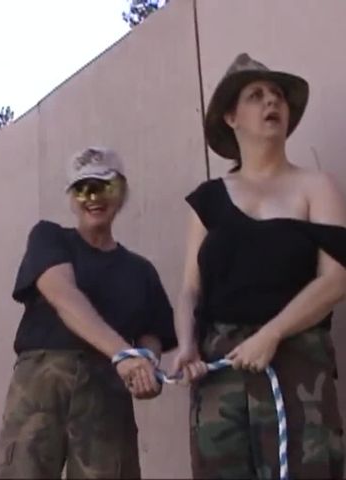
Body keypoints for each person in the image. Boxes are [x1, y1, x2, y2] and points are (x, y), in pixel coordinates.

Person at [172, 52, 346, 479]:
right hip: (220, 373)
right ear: (231, 117)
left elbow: (337, 278)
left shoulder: (316, 186)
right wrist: (186, 344)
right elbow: (190, 289)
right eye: (256, 95)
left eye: (277, 96)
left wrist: (272, 333)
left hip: (296, 367)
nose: (271, 102)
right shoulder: (208, 199)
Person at [0, 147, 177, 479]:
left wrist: (146, 365)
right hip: (43, 382)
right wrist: (125, 355)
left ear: (122, 191)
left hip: (107, 391)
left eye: (104, 186)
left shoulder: (141, 271)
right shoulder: (49, 237)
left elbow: (152, 333)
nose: (93, 197)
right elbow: (62, 295)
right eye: (82, 188)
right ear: (71, 197)